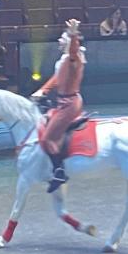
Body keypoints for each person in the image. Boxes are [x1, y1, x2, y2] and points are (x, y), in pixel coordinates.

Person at [32, 19, 86, 192]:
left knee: (47, 138)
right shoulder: (63, 60)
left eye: (62, 38)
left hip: (70, 104)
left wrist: (73, 33)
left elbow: (73, 50)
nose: (59, 40)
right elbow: (57, 78)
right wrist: (42, 91)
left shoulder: (74, 58)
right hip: (62, 101)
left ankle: (59, 171)